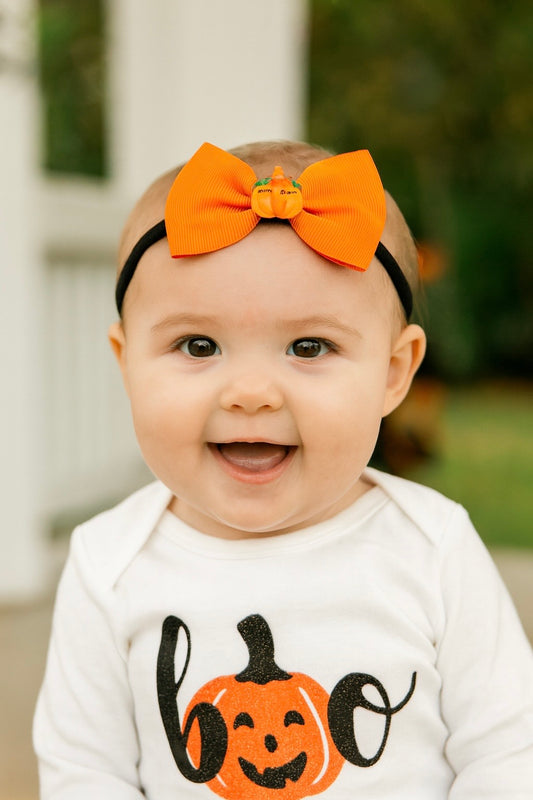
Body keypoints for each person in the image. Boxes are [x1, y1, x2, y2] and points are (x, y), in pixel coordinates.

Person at [34, 140, 533, 799]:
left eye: (308, 346)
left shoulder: (431, 548)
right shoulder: (110, 564)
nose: (251, 393)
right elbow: (84, 770)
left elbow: (508, 751)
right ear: (126, 364)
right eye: (198, 345)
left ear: (392, 373)